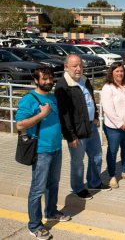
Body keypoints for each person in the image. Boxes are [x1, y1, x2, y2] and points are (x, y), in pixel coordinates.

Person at [16, 66, 71, 240]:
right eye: (44, 79)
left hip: (56, 148)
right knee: (38, 188)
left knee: (53, 183)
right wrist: (41, 115)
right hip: (41, 151)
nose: (48, 81)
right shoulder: (28, 99)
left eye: (50, 78)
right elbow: (20, 125)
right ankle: (34, 225)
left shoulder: (53, 97)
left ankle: (51, 211)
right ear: (36, 80)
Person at [55, 54, 110, 200]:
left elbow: (91, 99)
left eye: (80, 65)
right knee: (78, 162)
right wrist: (70, 136)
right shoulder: (63, 85)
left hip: (91, 126)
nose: (78, 68)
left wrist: (96, 116)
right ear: (66, 67)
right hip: (77, 131)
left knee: (96, 156)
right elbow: (64, 114)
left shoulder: (85, 80)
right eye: (74, 66)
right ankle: (78, 188)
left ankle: (94, 182)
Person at [101, 62, 125, 188]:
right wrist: (121, 124)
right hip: (114, 128)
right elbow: (108, 109)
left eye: (121, 71)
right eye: (117, 71)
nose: (120, 73)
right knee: (112, 151)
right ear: (111, 72)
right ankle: (112, 175)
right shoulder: (107, 87)